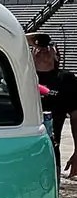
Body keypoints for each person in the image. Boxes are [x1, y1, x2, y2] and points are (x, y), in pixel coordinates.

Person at [29, 33, 77, 178]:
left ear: (57, 55)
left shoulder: (66, 79)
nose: (43, 49)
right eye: (38, 46)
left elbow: (76, 116)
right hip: (19, 151)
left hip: (49, 152)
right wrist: (29, 39)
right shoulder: (20, 77)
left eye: (48, 46)